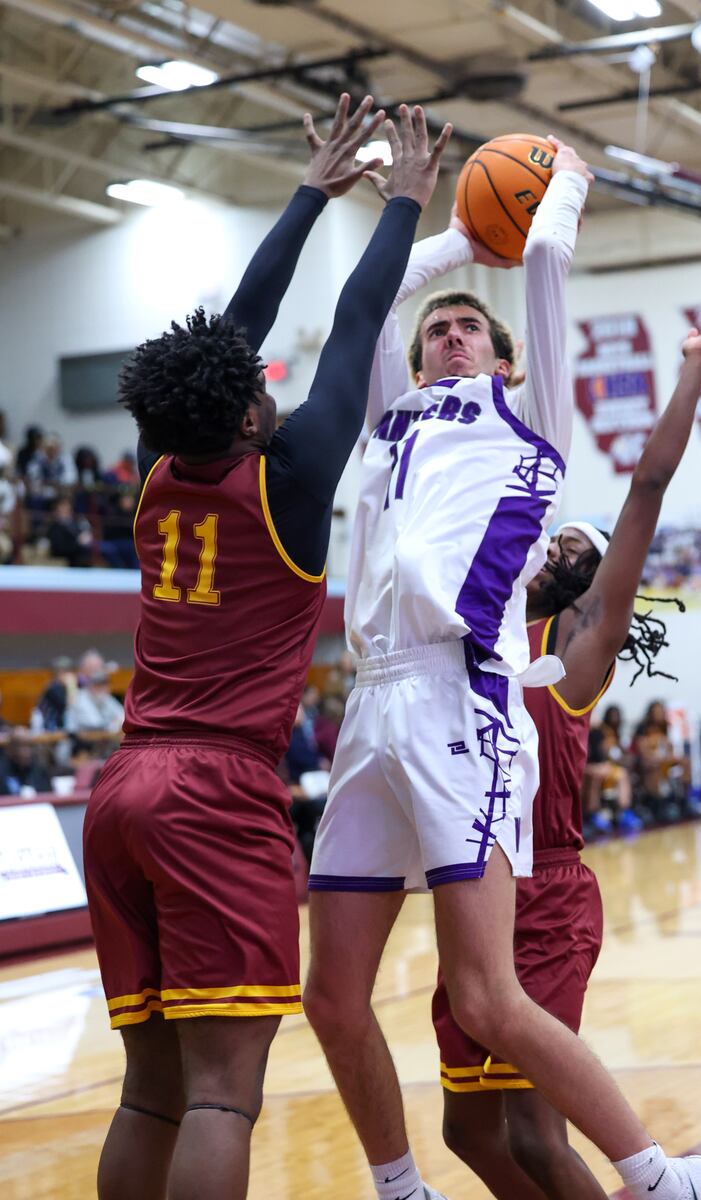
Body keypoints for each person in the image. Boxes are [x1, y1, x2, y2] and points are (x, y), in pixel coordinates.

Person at [302, 116, 701, 1199]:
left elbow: (542, 255)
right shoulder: (386, 427)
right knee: (329, 997)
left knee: (487, 997)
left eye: (466, 331)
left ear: (503, 358)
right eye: (436, 331)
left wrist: (566, 180)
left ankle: (653, 1175)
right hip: (371, 702)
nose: (448, 335)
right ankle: (399, 1189)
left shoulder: (530, 420)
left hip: (461, 701)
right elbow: (360, 315)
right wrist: (448, 242)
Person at [80, 95, 449, 1200]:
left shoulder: (156, 465)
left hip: (120, 791)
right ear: (244, 419)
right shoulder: (284, 487)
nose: (270, 387)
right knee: (219, 1095)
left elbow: (235, 326)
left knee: (148, 1089)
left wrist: (310, 196)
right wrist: (404, 203)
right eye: (260, 389)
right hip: (215, 790)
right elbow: (353, 325)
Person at [430, 294, 701, 1200]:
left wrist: (688, 371)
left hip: (548, 893)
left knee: (533, 1130)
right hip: (470, 887)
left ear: (595, 578)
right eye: (554, 536)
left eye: (575, 545)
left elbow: (646, 486)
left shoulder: (575, 654)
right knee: (465, 1129)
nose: (557, 545)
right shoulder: (477, 631)